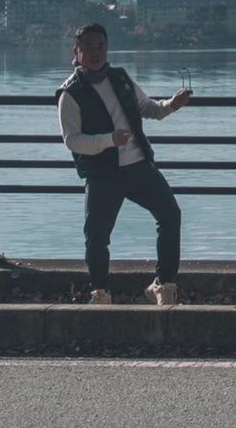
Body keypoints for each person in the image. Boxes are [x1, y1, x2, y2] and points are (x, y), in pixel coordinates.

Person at [56, 22, 193, 306]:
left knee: (171, 215)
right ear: (76, 51)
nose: (95, 53)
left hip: (140, 166)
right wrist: (108, 140)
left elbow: (146, 107)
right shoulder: (70, 93)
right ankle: (100, 292)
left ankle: (164, 284)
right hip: (103, 173)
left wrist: (172, 105)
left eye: (101, 47)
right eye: (89, 47)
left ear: (107, 49)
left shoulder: (120, 78)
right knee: (97, 236)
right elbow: (72, 140)